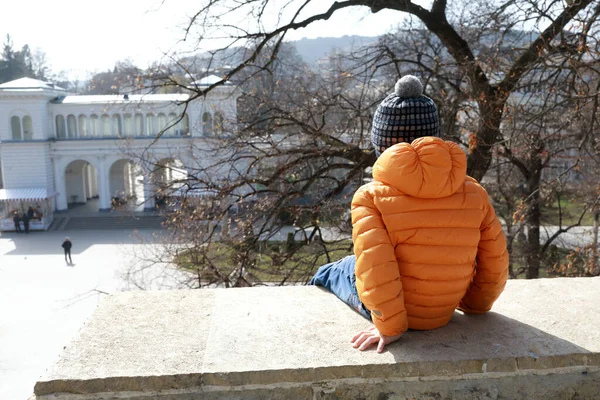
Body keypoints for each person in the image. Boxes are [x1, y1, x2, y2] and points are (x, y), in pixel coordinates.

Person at [310, 75, 509, 353]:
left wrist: (389, 327)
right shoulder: (473, 191)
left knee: (332, 270)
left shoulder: (370, 197)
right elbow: (494, 261)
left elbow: (376, 265)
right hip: (444, 310)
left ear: (381, 145)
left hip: (400, 317)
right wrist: (475, 305)